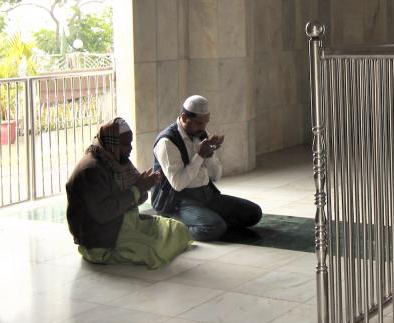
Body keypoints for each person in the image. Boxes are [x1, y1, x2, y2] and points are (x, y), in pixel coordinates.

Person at [66, 117, 193, 269]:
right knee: (154, 251)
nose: (130, 148)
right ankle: (102, 253)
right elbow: (104, 212)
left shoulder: (117, 160)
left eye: (130, 142)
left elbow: (134, 197)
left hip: (125, 221)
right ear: (112, 143)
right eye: (125, 144)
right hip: (102, 235)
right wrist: (138, 188)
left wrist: (144, 186)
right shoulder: (91, 171)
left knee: (179, 229)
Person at [151, 95, 262, 241]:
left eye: (205, 123)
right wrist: (200, 155)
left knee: (253, 213)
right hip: (178, 201)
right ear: (184, 118)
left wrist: (210, 155)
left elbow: (216, 176)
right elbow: (178, 184)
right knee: (214, 227)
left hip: (206, 195)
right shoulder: (167, 142)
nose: (203, 127)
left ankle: (203, 217)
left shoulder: (201, 134)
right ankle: (173, 223)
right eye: (198, 123)